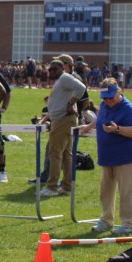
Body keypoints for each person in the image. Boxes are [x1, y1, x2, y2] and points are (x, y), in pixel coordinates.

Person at [76, 79, 132, 235]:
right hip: (107, 155)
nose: (108, 101)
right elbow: (99, 118)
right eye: (105, 98)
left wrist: (118, 129)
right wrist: (88, 127)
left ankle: (129, 224)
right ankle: (106, 221)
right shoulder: (105, 105)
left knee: (126, 191)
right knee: (106, 191)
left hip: (126, 156)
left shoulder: (129, 109)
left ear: (119, 92)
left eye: (111, 97)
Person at [41, 60, 87, 197]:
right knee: (67, 155)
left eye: (55, 69)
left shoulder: (65, 78)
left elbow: (81, 88)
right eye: (50, 70)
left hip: (63, 120)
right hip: (62, 120)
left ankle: (52, 187)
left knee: (55, 154)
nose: (52, 71)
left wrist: (71, 103)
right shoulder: (60, 80)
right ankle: (67, 186)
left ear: (63, 68)